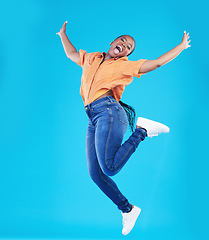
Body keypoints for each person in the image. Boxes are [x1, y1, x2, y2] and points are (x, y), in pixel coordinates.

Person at [56, 21, 191, 235]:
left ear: (125, 54)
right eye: (123, 41)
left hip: (109, 112)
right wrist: (63, 34)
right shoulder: (92, 58)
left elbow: (155, 63)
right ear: (113, 42)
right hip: (93, 117)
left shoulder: (123, 66)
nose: (125, 45)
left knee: (109, 168)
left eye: (129, 47)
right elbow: (72, 54)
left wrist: (181, 47)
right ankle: (128, 209)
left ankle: (142, 130)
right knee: (96, 174)